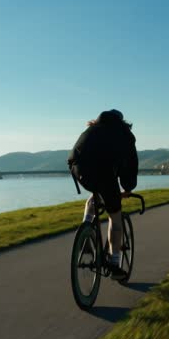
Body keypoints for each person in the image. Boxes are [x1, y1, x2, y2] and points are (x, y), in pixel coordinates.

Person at [68, 109, 138, 280]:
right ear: (122, 122)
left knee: (95, 194)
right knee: (115, 216)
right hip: (103, 172)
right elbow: (130, 165)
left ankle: (86, 232)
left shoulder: (92, 129)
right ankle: (114, 264)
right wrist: (127, 188)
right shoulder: (125, 135)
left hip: (78, 168)